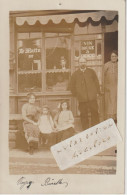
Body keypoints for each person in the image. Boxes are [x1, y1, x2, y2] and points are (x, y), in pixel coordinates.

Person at [69, 56, 100, 130]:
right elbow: (71, 86)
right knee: (83, 114)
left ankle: (95, 129)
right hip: (82, 99)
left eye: (84, 62)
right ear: (78, 63)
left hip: (92, 97)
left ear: (86, 63)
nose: (82, 63)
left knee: (95, 112)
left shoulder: (91, 71)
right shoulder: (75, 74)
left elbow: (96, 82)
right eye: (81, 62)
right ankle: (85, 130)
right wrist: (77, 94)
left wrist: (97, 92)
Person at [104, 50, 118, 122]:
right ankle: (110, 119)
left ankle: (116, 118)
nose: (114, 57)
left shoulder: (120, 64)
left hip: (118, 87)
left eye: (115, 56)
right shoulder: (106, 65)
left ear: (117, 57)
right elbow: (103, 76)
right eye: (112, 56)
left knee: (117, 102)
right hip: (109, 88)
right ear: (110, 57)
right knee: (110, 103)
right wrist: (105, 86)